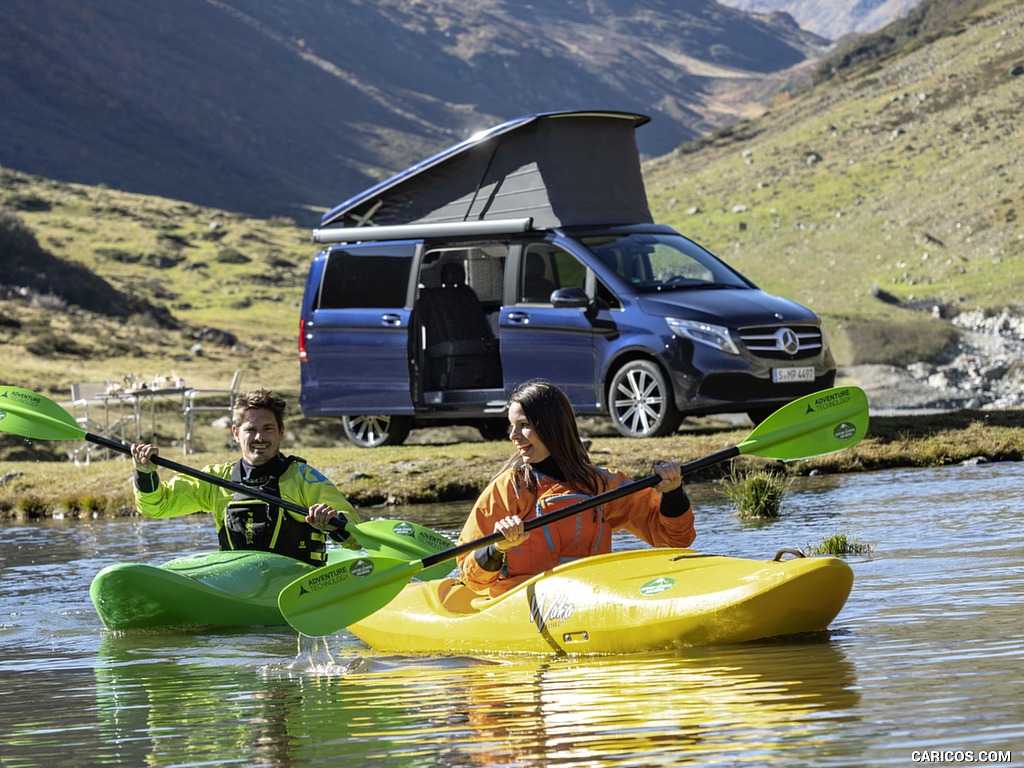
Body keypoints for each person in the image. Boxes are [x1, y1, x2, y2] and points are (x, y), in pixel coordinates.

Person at [456, 379, 695, 596]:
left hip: (592, 596)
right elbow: (471, 579)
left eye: (523, 425)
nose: (513, 436)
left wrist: (673, 492)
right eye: (512, 426)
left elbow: (674, 539)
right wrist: (497, 548)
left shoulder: (603, 485)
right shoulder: (508, 489)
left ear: (552, 427)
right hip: (521, 602)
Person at [130, 388, 361, 565]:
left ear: (281, 432)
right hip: (240, 587)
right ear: (236, 433)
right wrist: (145, 474)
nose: (260, 437)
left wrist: (333, 523)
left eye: (268, 429)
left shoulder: (304, 478)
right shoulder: (216, 480)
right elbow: (157, 507)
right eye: (251, 429)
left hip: (298, 586)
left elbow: (356, 536)